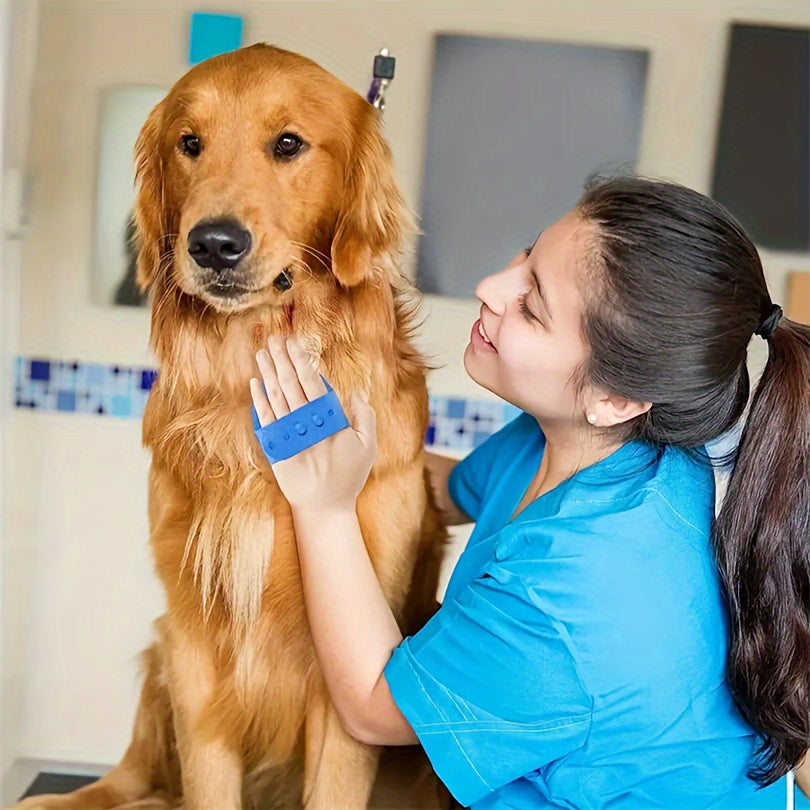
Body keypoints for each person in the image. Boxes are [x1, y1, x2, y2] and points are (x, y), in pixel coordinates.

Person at [248, 176, 810, 809]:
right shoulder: (584, 444)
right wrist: (351, 436)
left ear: (615, 397)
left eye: (532, 306)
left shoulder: (575, 592)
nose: (491, 288)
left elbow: (374, 708)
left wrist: (323, 510)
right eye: (526, 255)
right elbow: (446, 489)